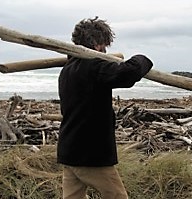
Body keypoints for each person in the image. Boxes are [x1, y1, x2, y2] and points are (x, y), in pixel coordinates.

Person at [57, 17, 153, 199]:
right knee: (117, 196)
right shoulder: (92, 66)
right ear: (96, 43)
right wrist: (142, 59)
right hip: (90, 156)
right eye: (104, 44)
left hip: (69, 151)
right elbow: (128, 73)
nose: (106, 49)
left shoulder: (67, 70)